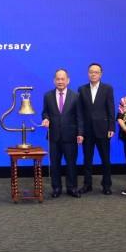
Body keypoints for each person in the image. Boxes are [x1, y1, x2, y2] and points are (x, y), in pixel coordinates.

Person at [41, 69, 80, 198]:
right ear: (54, 81)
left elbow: (80, 117)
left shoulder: (75, 96)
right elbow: (45, 112)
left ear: (68, 80)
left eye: (63, 79)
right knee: (55, 164)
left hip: (70, 136)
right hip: (54, 136)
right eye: (58, 79)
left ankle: (72, 187)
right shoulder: (48, 96)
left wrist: (80, 133)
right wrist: (45, 119)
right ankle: (56, 188)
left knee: (71, 163)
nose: (60, 81)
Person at [77, 63, 115, 195]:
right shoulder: (81, 89)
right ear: (88, 74)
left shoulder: (107, 89)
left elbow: (111, 109)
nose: (93, 74)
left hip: (103, 130)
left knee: (105, 159)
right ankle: (87, 185)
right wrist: (80, 131)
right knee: (87, 159)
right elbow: (80, 113)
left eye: (96, 72)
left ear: (101, 74)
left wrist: (111, 127)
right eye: (91, 72)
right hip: (87, 131)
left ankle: (106, 185)